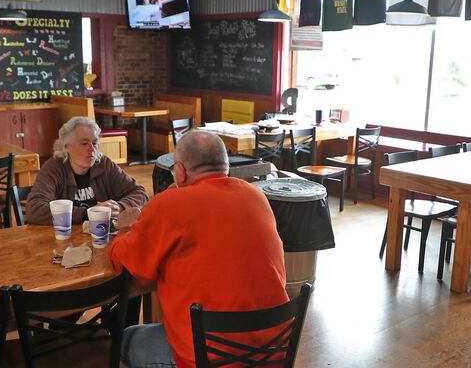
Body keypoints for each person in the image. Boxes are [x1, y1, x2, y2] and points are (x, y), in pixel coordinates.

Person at [110, 131, 288, 368]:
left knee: (123, 340)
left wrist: (124, 229)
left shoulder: (169, 204)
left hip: (207, 358)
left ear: (181, 171)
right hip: (273, 349)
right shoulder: (256, 195)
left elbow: (129, 266)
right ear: (225, 164)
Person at [28, 116, 148, 225]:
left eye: (95, 143)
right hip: (64, 239)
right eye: (84, 143)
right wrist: (89, 214)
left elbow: (140, 192)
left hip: (101, 236)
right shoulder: (53, 168)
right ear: (66, 146)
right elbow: (35, 209)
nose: (92, 149)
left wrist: (119, 206)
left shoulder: (103, 164)